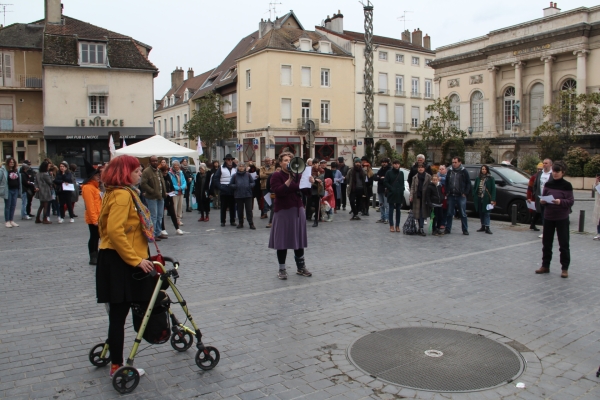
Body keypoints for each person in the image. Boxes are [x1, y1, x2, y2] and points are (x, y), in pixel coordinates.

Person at [96, 155, 154, 378]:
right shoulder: (122, 195)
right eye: (137, 170)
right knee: (119, 316)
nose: (140, 173)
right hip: (121, 261)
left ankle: (115, 361)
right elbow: (115, 232)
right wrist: (136, 260)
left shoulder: (120, 192)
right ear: (124, 172)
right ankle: (117, 365)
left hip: (118, 258)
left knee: (119, 315)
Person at [269, 152, 312, 279]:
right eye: (285, 160)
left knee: (298, 240)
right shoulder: (276, 176)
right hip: (283, 211)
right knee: (282, 240)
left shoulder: (299, 174)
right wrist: (290, 179)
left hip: (297, 210)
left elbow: (306, 192)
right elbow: (279, 191)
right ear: (280, 162)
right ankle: (282, 269)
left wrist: (310, 182)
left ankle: (301, 267)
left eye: (290, 160)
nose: (288, 162)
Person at [535, 161, 574, 278]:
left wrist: (560, 202)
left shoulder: (567, 185)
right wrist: (543, 201)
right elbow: (544, 197)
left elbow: (570, 201)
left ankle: (564, 268)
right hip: (548, 216)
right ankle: (545, 265)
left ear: (563, 173)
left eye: (558, 172)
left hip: (562, 217)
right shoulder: (548, 184)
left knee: (564, 244)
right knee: (546, 243)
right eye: (554, 171)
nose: (555, 174)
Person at [140, 156, 168, 241]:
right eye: (153, 161)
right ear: (150, 162)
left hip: (160, 196)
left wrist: (164, 192)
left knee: (160, 216)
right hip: (152, 197)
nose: (155, 162)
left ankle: (158, 233)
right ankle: (152, 234)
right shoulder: (146, 171)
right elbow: (143, 183)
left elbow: (161, 182)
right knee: (153, 216)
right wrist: (151, 191)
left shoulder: (158, 171)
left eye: (156, 161)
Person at [81, 161, 102, 265]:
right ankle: (93, 256)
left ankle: (96, 254)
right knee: (94, 237)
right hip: (94, 218)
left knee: (96, 237)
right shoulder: (88, 188)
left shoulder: (95, 187)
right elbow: (90, 206)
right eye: (96, 175)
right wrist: (94, 220)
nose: (98, 176)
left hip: (98, 216)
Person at [444, 156, 471, 235]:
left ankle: (465, 229)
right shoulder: (450, 171)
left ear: (460, 162)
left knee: (462, 213)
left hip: (460, 195)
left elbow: (468, 183)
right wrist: (447, 191)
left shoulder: (464, 171)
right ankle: (448, 228)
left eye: (455, 162)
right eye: (453, 162)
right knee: (449, 213)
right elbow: (446, 182)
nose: (454, 164)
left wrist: (465, 192)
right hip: (451, 195)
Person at [212, 154, 237, 227]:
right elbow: (216, 179)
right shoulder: (221, 168)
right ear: (225, 160)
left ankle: (232, 221)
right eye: (228, 159)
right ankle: (223, 221)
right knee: (223, 207)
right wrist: (220, 187)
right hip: (224, 189)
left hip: (232, 189)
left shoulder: (235, 168)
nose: (230, 161)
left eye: (231, 160)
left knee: (232, 207)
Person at [230, 162, 256, 229]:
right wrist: (236, 186)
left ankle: (251, 223)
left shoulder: (248, 175)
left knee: (249, 210)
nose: (241, 167)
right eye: (240, 166)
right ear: (238, 167)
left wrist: (250, 186)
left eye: (242, 166)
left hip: (248, 194)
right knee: (240, 210)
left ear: (245, 167)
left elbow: (253, 182)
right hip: (238, 195)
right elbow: (230, 184)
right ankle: (240, 223)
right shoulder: (235, 176)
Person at [532, 158, 553, 238]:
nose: (544, 164)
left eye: (546, 163)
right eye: (544, 163)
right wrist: (535, 194)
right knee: (543, 216)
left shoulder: (552, 174)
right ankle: (545, 232)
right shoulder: (540, 173)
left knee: (549, 216)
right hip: (540, 198)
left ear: (550, 164)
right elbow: (535, 185)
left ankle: (549, 231)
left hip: (549, 198)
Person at [472, 165, 496, 234]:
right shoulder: (478, 178)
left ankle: (487, 227)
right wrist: (474, 195)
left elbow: (493, 190)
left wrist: (493, 199)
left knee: (487, 213)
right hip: (479, 197)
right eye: (482, 169)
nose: (484, 170)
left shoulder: (490, 178)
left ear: (487, 170)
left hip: (487, 199)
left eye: (485, 169)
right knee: (481, 212)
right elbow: (475, 188)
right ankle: (482, 226)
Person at [410, 164, 432, 236]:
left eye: (422, 168)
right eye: (419, 168)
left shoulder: (428, 177)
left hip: (425, 197)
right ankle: (419, 228)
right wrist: (411, 196)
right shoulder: (415, 177)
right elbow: (412, 187)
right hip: (417, 197)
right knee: (418, 213)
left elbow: (430, 187)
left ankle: (421, 228)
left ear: (424, 169)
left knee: (423, 213)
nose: (420, 169)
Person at [161, 164, 183, 235]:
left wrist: (172, 191)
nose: (165, 173)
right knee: (161, 214)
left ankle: (177, 228)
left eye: (166, 171)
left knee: (173, 213)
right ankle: (163, 229)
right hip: (162, 197)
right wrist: (164, 193)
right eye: (164, 172)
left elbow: (171, 185)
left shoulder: (168, 177)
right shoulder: (160, 178)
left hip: (169, 197)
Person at [383, 160, 405, 232]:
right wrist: (391, 189)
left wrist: (402, 189)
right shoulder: (389, 172)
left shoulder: (401, 173)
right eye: (395, 164)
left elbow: (402, 183)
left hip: (399, 193)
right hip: (391, 193)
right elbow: (385, 182)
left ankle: (397, 225)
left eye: (398, 164)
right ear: (393, 165)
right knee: (391, 209)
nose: (396, 165)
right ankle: (391, 225)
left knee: (398, 210)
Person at [1, 157, 21, 227]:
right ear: (8, 163)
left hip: (15, 190)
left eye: (13, 162)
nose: (12, 163)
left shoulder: (16, 170)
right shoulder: (4, 170)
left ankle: (11, 220)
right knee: (8, 206)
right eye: (10, 162)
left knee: (13, 205)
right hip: (8, 190)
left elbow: (19, 180)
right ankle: (7, 221)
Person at [168, 161, 187, 227]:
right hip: (175, 192)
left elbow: (184, 181)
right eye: (175, 165)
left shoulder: (181, 172)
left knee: (180, 206)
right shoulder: (170, 173)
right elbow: (170, 183)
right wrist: (177, 188)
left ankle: (179, 219)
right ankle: (175, 219)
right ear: (173, 166)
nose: (176, 166)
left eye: (177, 165)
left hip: (181, 192)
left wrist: (181, 187)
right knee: (174, 207)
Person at [527, 163, 544, 232]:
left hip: (541, 196)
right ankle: (533, 224)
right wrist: (528, 197)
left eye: (541, 169)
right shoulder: (534, 177)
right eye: (538, 169)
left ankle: (532, 224)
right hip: (534, 197)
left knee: (538, 212)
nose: (539, 170)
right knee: (536, 211)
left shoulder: (543, 176)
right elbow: (529, 188)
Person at [373, 158, 391, 223]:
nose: (384, 163)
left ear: (388, 162)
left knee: (386, 205)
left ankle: (387, 218)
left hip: (386, 189)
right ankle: (382, 217)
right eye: (383, 162)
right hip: (380, 189)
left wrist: (380, 178)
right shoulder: (380, 170)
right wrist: (381, 178)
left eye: (385, 162)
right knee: (381, 204)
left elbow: (387, 179)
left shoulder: (389, 170)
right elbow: (375, 177)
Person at [265, 163, 281, 228]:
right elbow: (267, 185)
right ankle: (271, 222)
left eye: (280, 169)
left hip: (282, 193)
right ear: (275, 169)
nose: (278, 171)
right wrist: (270, 191)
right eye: (277, 169)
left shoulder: (284, 175)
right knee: (273, 208)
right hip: (273, 193)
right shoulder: (272, 175)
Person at [593, 173, 600, 241]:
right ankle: (598, 233)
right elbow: (594, 189)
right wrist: (596, 182)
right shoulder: (598, 184)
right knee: (598, 220)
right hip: (598, 205)